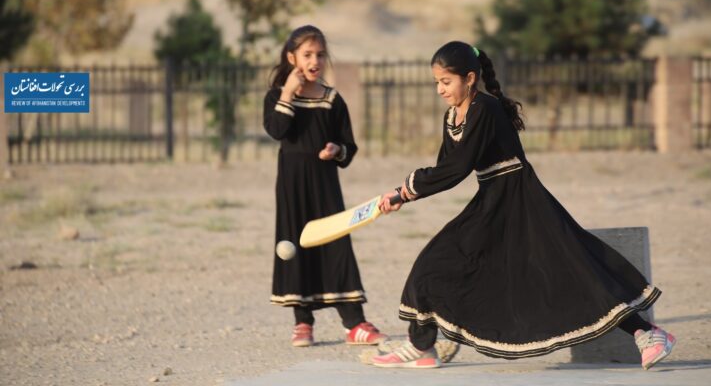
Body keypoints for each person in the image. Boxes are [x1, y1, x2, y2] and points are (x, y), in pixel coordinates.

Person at [372, 41, 675, 369]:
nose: (440, 90)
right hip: (491, 201)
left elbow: (457, 168)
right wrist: (404, 193)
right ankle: (422, 346)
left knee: (570, 272)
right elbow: (447, 166)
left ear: (470, 78)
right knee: (435, 263)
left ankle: (648, 333)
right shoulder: (453, 116)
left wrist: (405, 190)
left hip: (523, 200)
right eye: (436, 83)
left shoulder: (484, 109)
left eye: (446, 82)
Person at [263, 25, 387, 347]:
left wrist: (336, 150)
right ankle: (303, 323)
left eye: (319, 54)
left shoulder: (332, 100)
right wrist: (289, 93)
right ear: (292, 58)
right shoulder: (277, 96)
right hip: (291, 187)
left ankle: (354, 323)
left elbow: (349, 147)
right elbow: (277, 129)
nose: (314, 60)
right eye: (307, 55)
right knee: (297, 246)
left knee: (336, 244)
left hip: (324, 185)